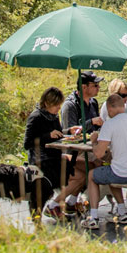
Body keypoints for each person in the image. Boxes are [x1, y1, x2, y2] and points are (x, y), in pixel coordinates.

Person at [80, 94, 127, 230]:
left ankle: (93, 217)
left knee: (92, 175)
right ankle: (122, 212)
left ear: (110, 108)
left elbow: (99, 154)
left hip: (122, 173)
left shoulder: (110, 124)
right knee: (111, 169)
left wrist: (94, 141)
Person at [45, 72, 105, 219]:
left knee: (103, 160)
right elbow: (69, 133)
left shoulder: (93, 103)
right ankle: (60, 204)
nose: (99, 88)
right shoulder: (70, 105)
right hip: (69, 152)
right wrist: (91, 122)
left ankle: (72, 201)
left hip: (88, 148)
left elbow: (96, 130)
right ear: (84, 87)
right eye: (95, 85)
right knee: (94, 165)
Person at [23, 87, 70, 191]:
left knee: (74, 164)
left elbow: (59, 134)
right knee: (64, 170)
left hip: (55, 156)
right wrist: (48, 136)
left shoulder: (54, 116)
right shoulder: (35, 117)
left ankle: (69, 200)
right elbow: (27, 144)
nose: (59, 108)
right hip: (40, 160)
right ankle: (58, 202)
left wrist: (70, 131)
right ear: (47, 103)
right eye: (57, 104)